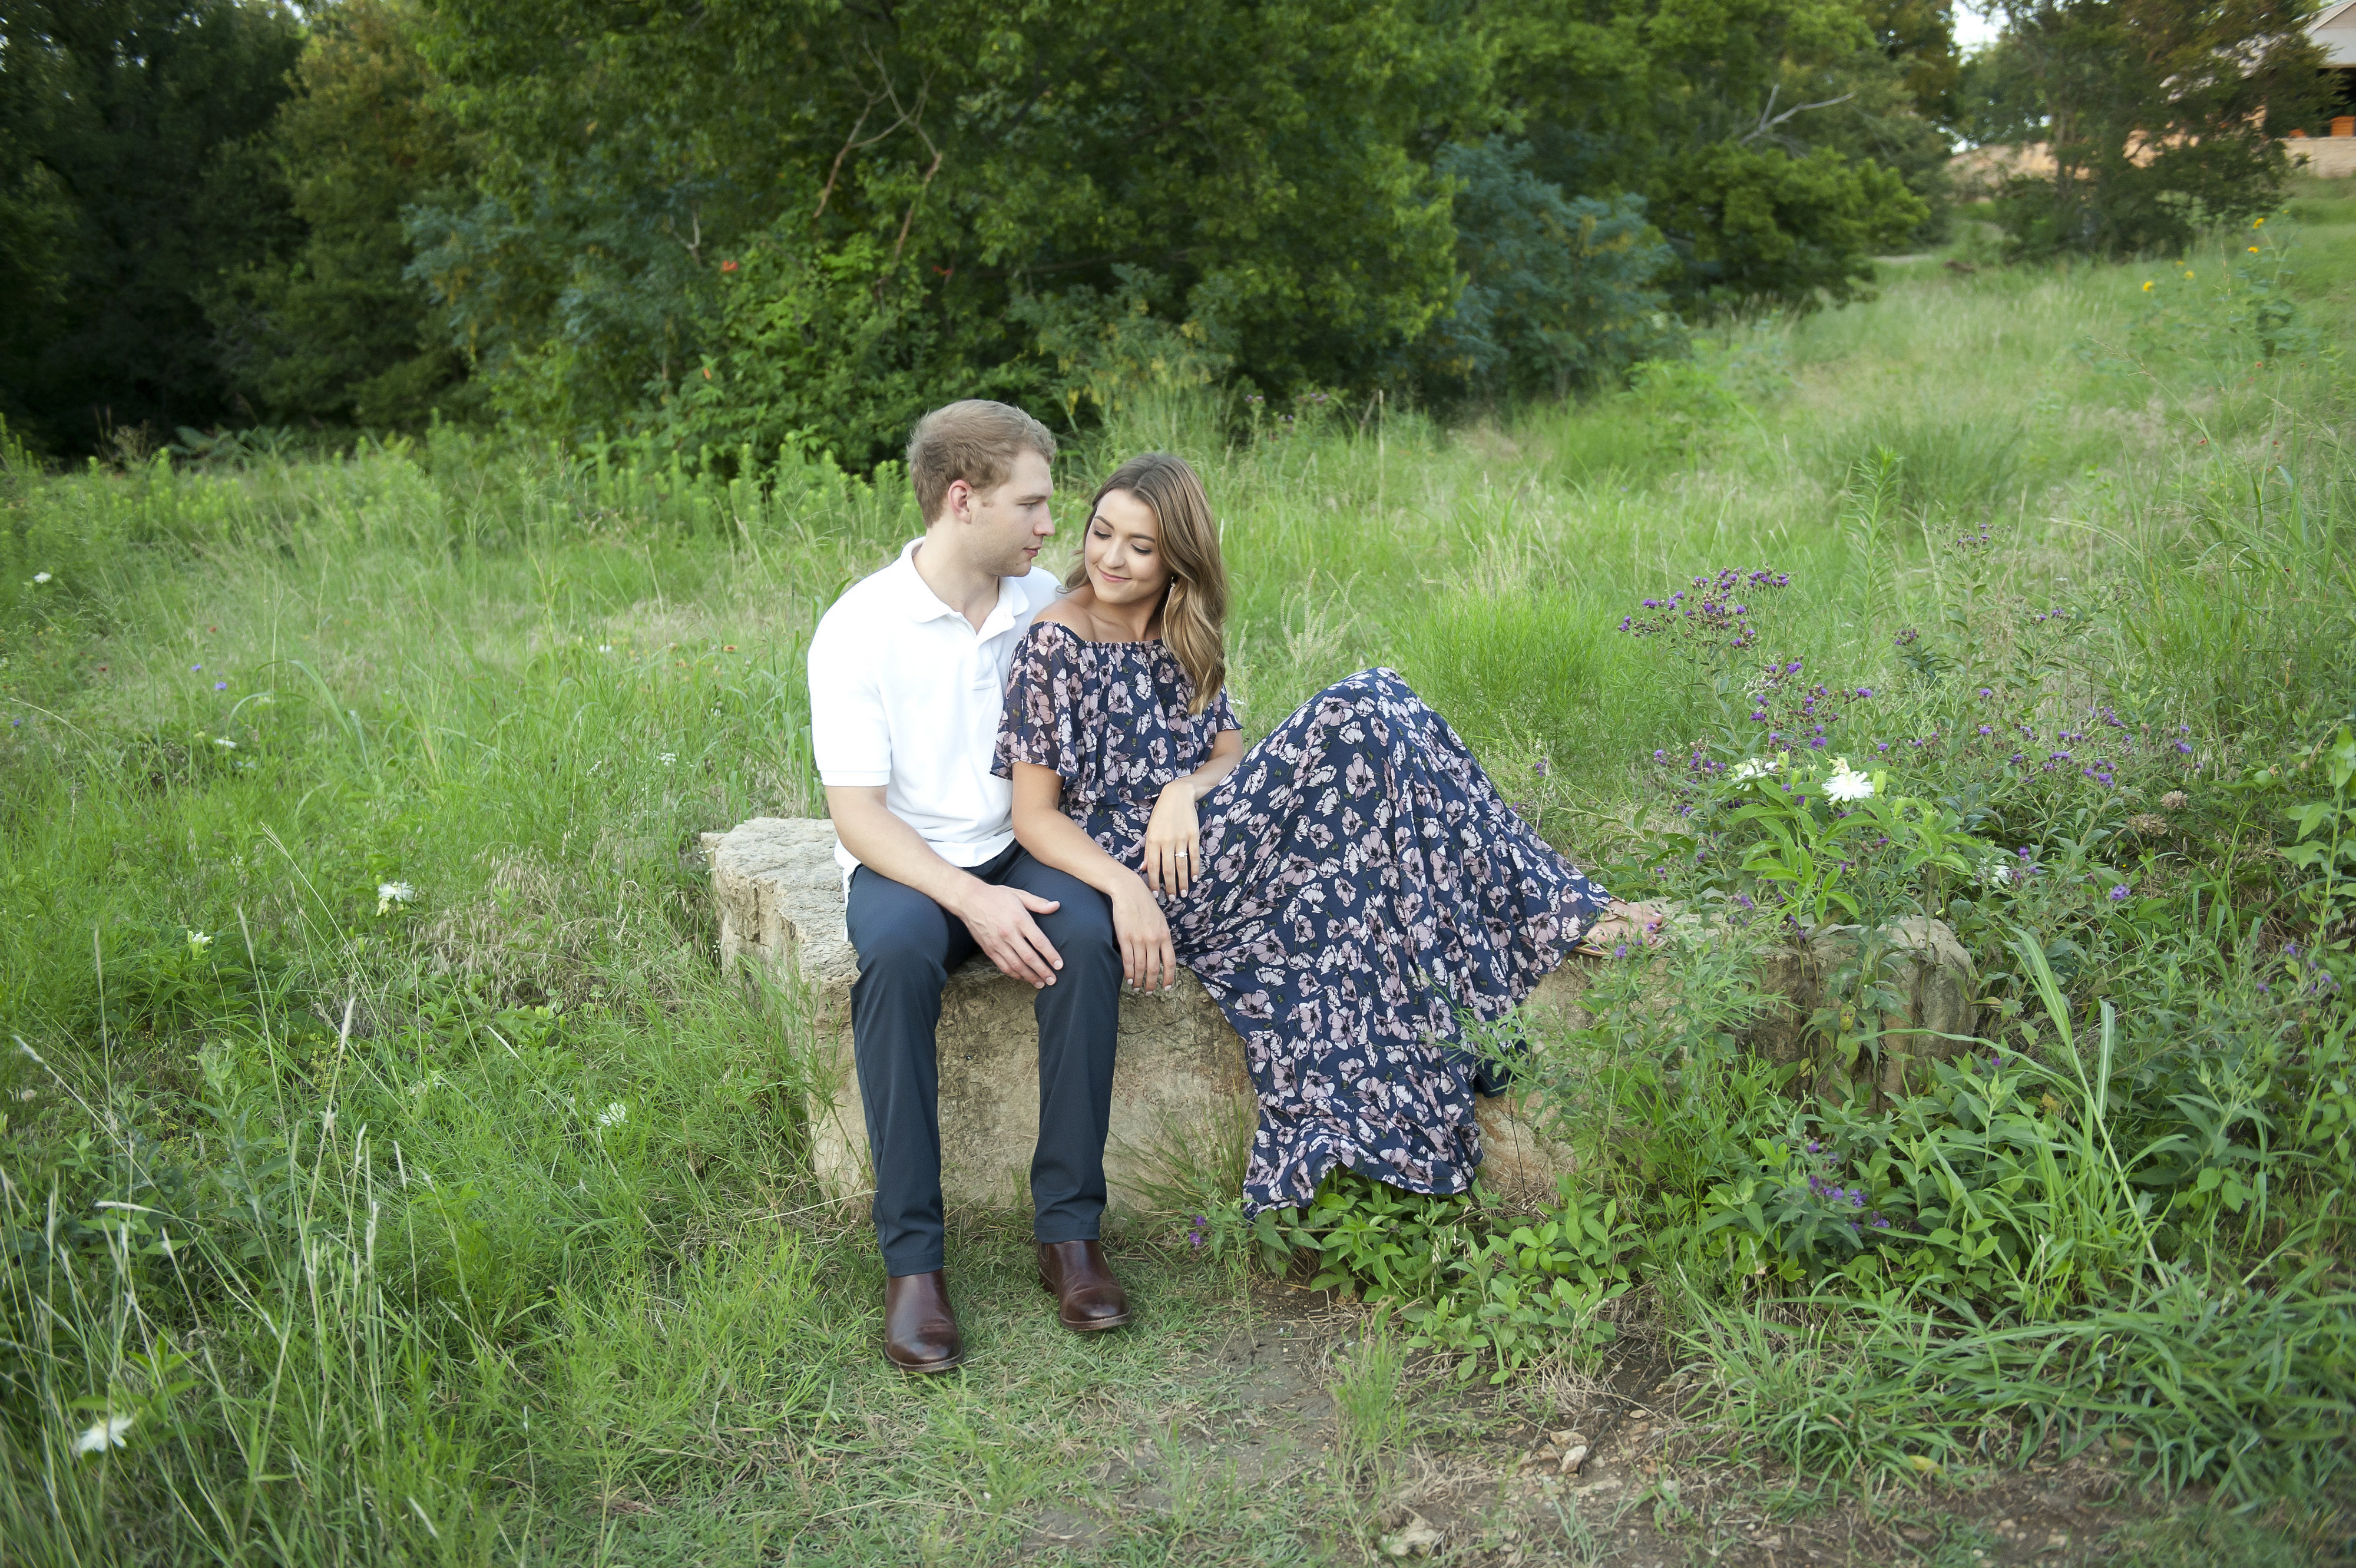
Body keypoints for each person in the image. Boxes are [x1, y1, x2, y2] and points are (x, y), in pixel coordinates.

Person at [997, 452, 1657, 1213]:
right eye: (1102, 533)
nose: (1110, 557)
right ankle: (1561, 906)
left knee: (1384, 720)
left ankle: (1545, 909)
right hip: (1147, 870)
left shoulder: (1180, 626)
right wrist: (1122, 888)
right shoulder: (1057, 641)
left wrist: (1183, 788)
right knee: (1364, 704)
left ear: (1179, 555)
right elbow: (1034, 815)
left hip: (1207, 833)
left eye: (1139, 546)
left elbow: (1225, 755)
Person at [807, 400, 1131, 1376]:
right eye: (1032, 504)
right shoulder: (859, 627)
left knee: (1086, 935)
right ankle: (915, 1266)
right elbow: (859, 815)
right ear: (963, 498)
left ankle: (1069, 1236)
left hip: (1025, 844)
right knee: (900, 957)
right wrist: (967, 897)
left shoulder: (1046, 607)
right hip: (907, 864)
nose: (1048, 526)